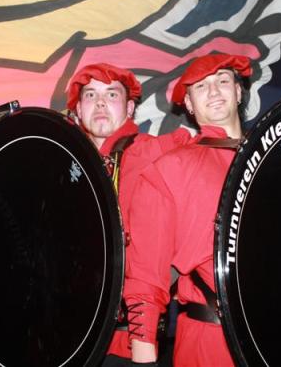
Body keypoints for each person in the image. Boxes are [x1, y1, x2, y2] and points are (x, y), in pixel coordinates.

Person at [122, 54, 252, 366]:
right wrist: (143, 356)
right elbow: (145, 274)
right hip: (211, 343)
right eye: (201, 86)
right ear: (190, 105)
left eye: (223, 81)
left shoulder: (275, 157)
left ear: (238, 92)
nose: (214, 91)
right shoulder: (170, 169)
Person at [66, 63, 190, 366]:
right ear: (78, 110)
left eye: (111, 95)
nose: (100, 103)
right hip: (69, 340)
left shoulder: (153, 153)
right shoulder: (64, 164)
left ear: (130, 107)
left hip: (128, 343)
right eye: (90, 95)